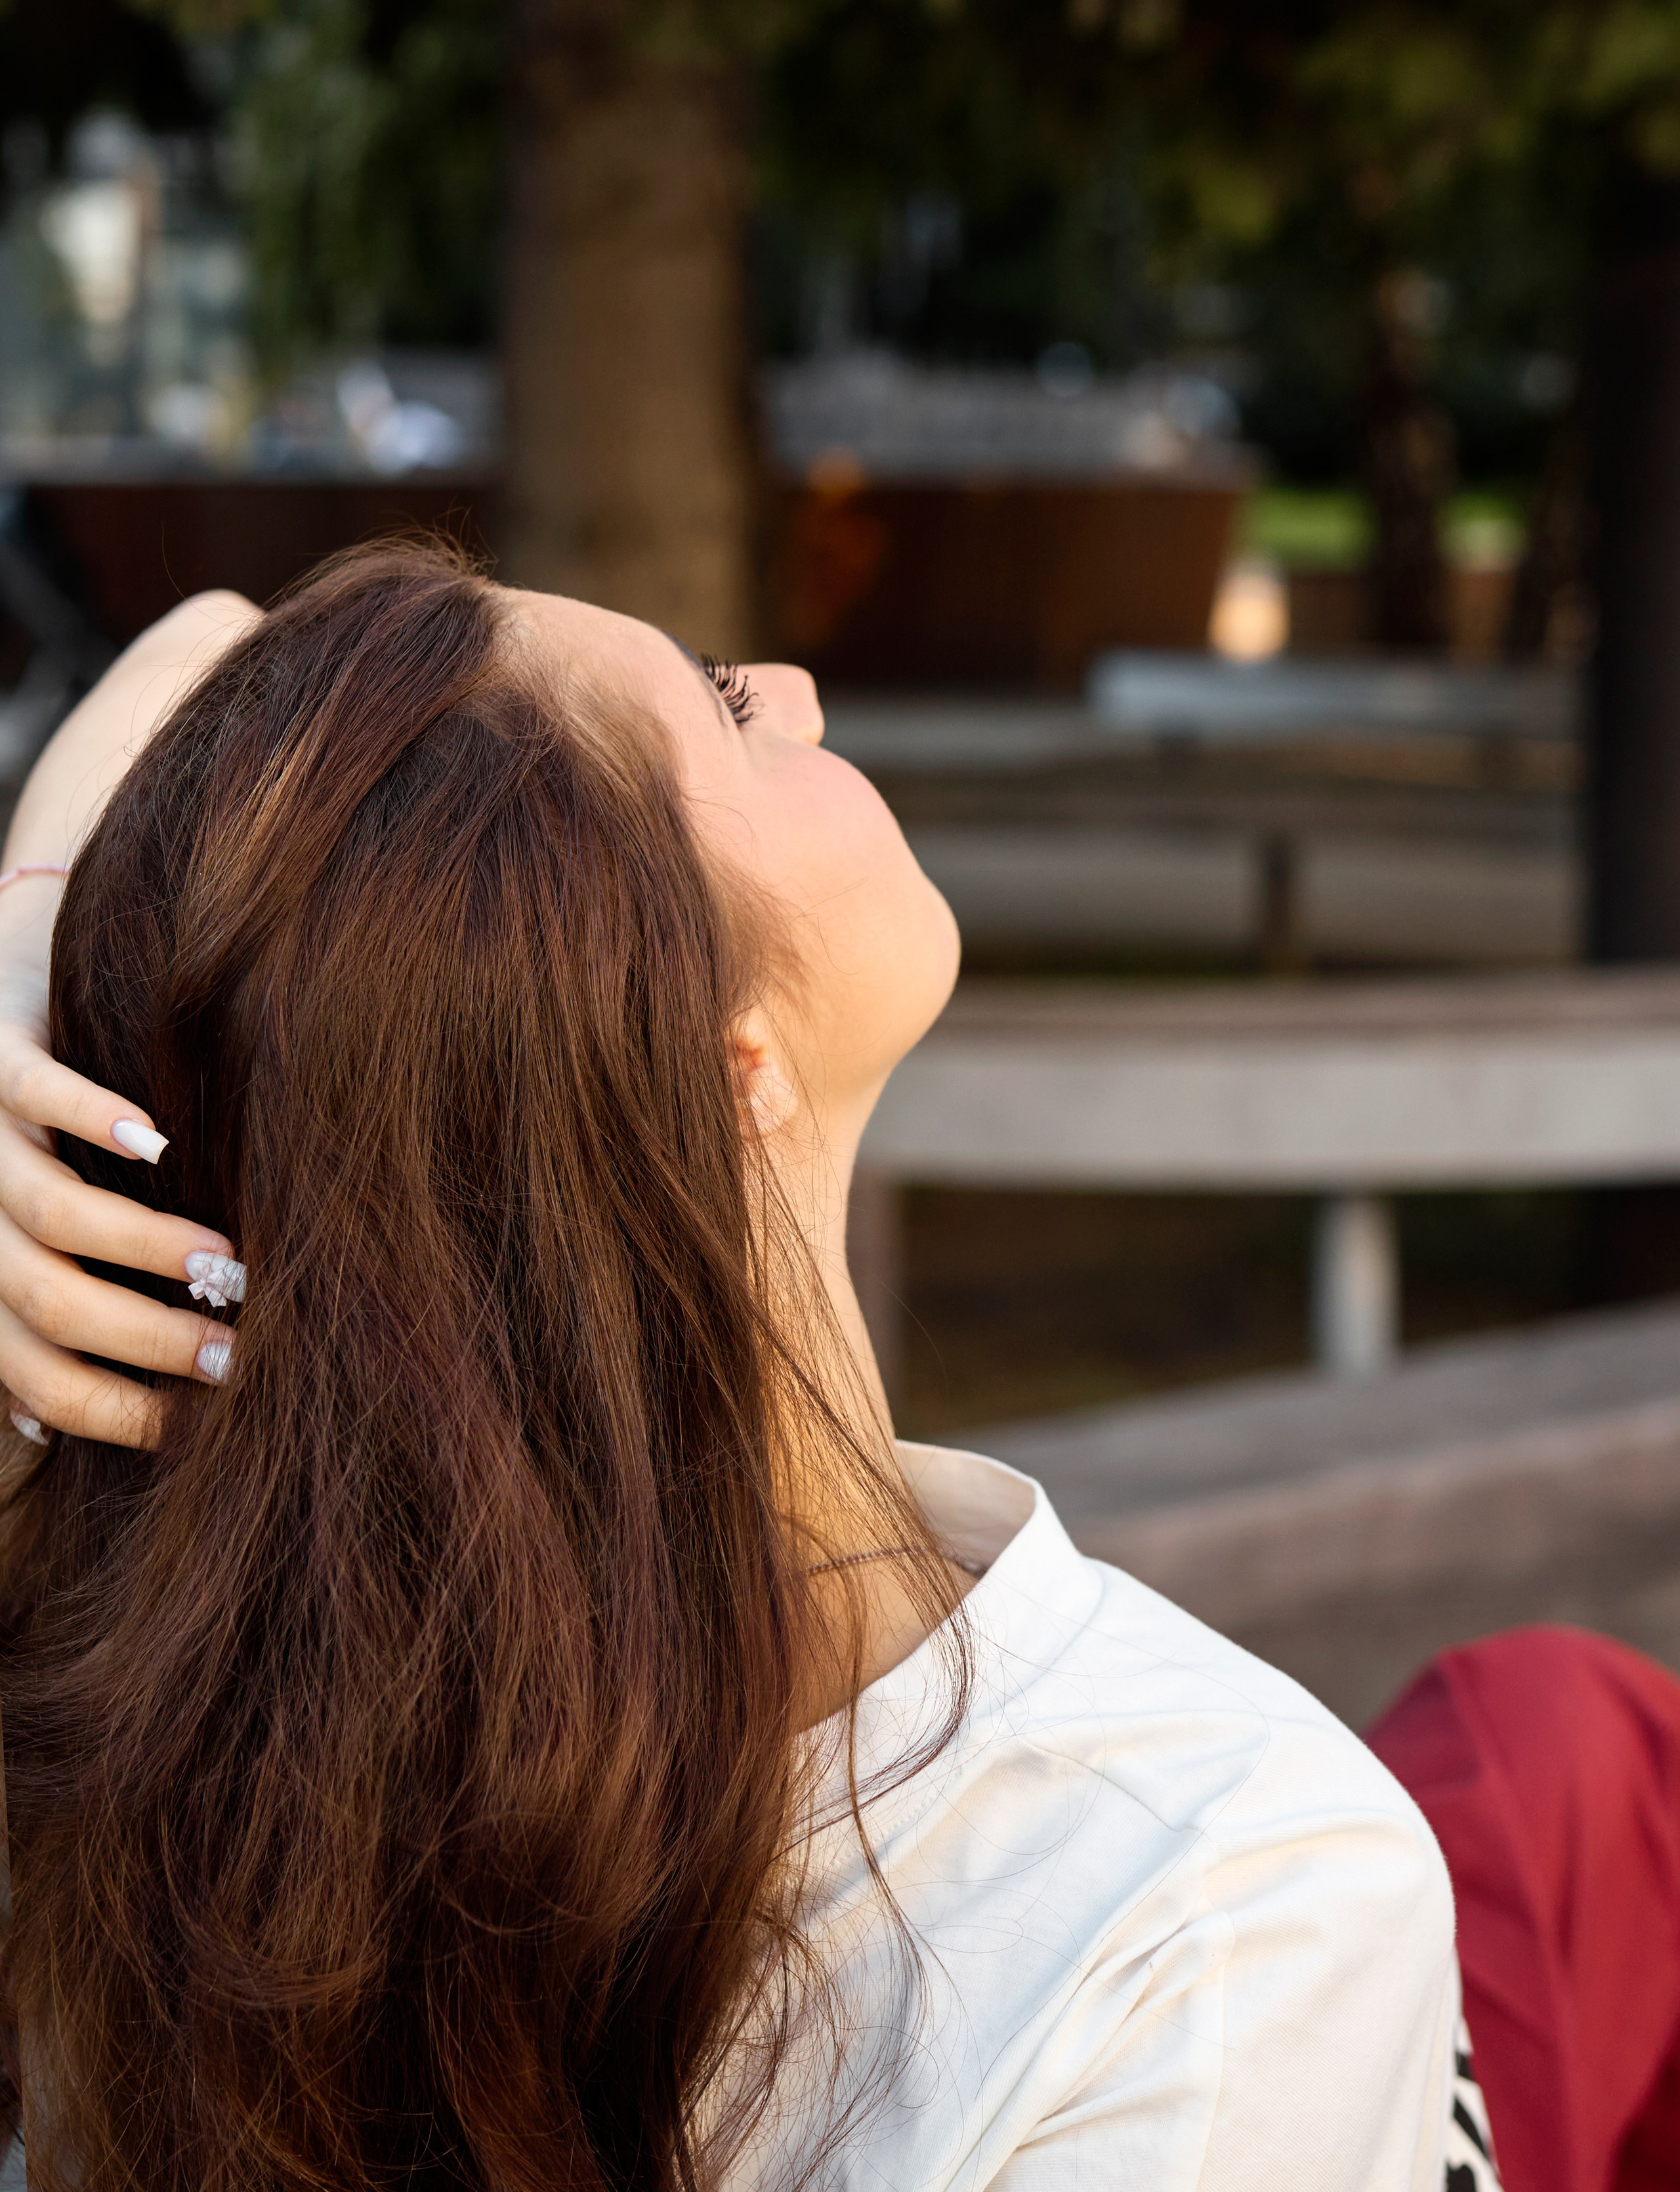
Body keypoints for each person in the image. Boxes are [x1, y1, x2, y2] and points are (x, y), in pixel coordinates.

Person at [0, 543, 1668, 2192]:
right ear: (723, 1068)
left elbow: (219, 635)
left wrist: (42, 1001)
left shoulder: (124, 1730)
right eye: (727, 711)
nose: (794, 690)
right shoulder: (1228, 1889)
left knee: (1547, 1734)